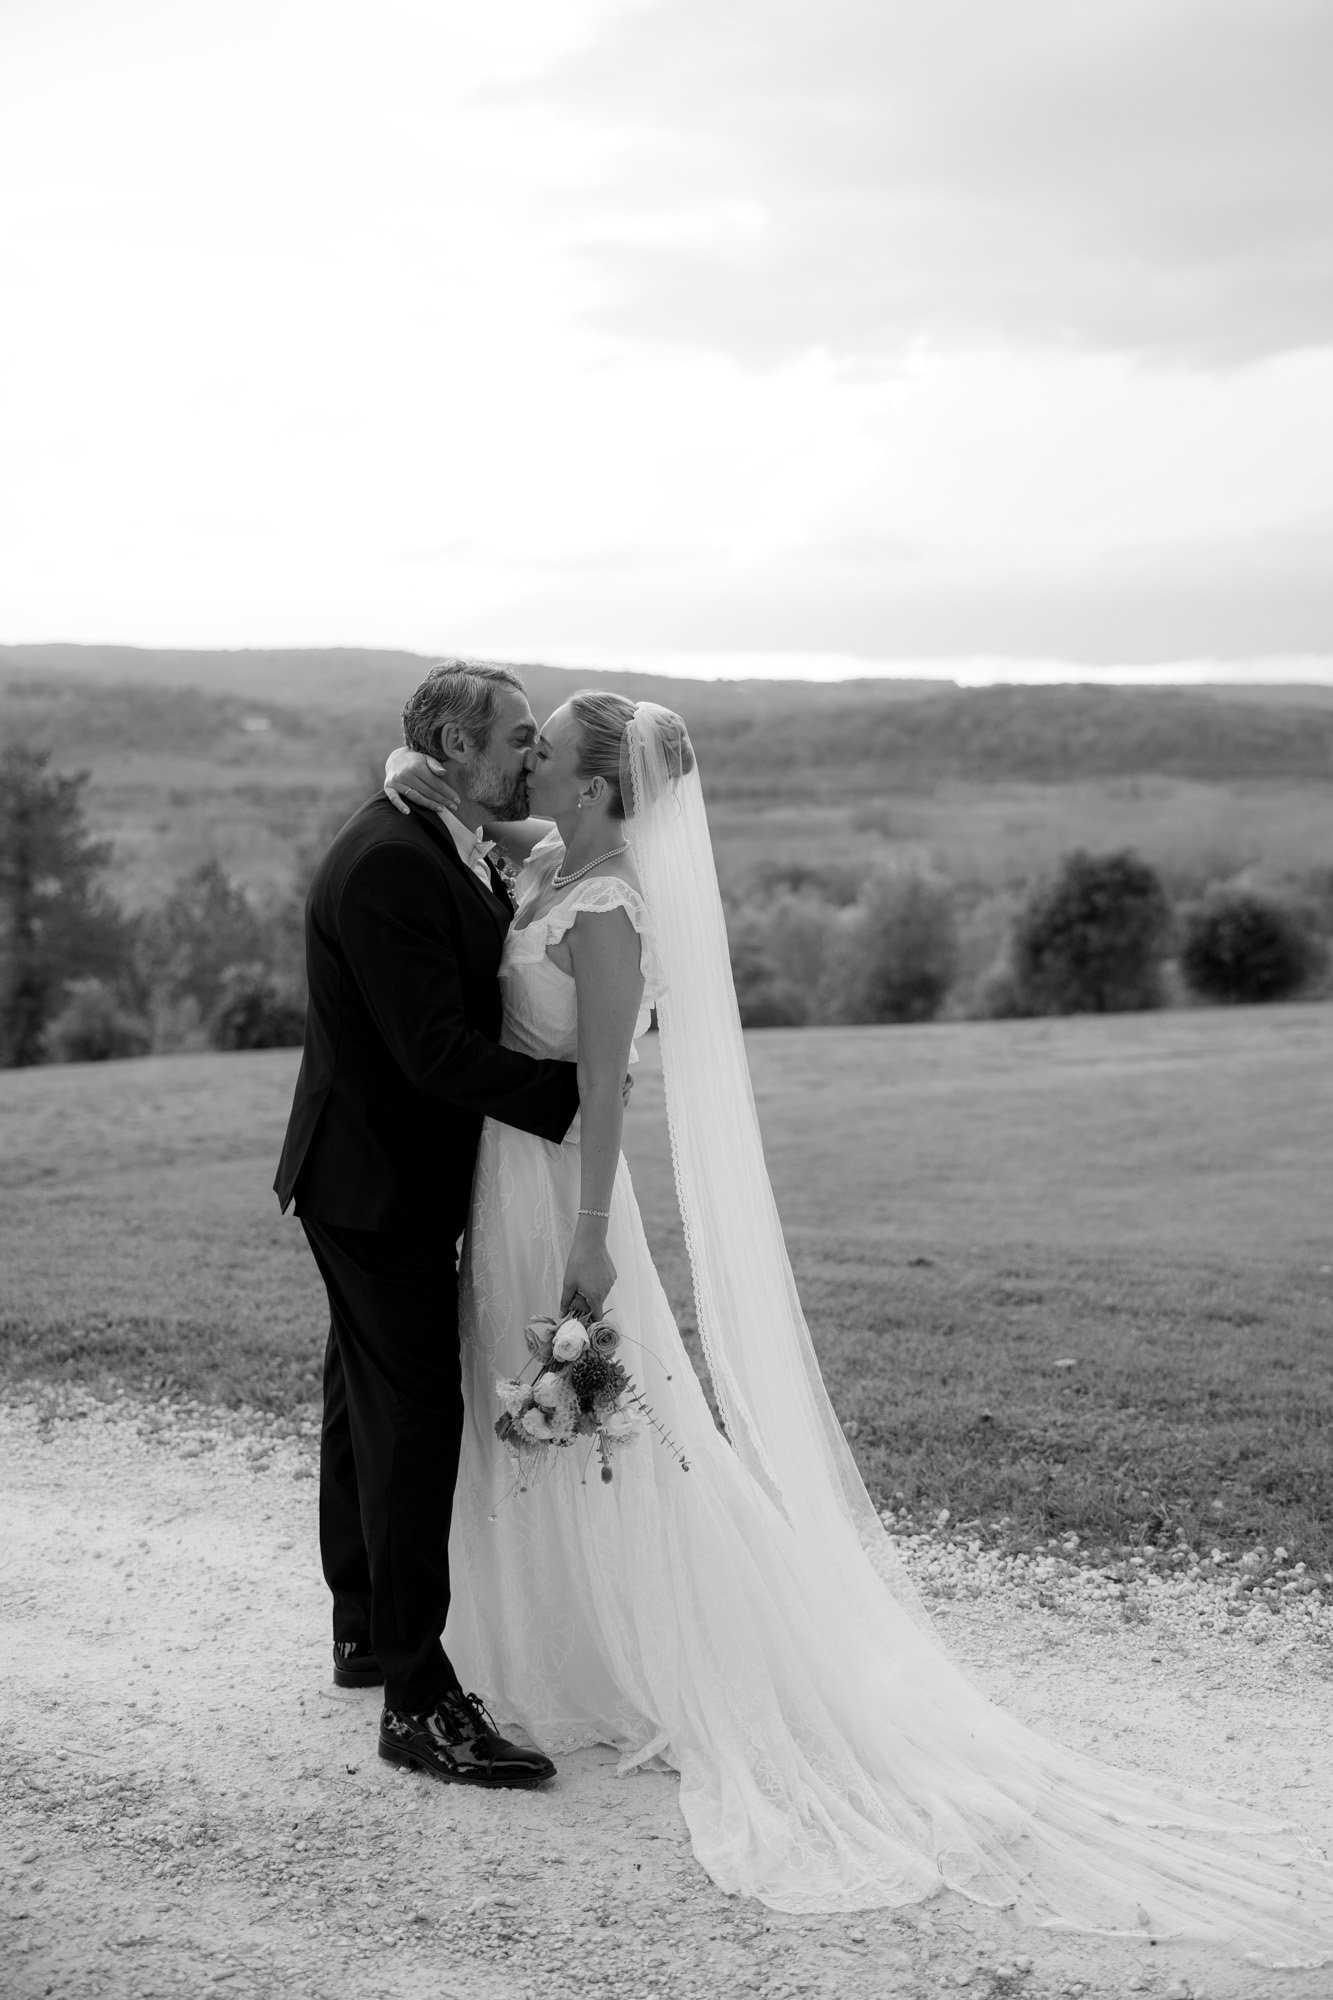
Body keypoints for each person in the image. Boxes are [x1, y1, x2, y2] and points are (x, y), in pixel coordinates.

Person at [381, 692, 1333, 1956]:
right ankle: (561, 1645)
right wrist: (424, 780)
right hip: (500, 1178)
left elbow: (604, 1085)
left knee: (626, 1430)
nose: (529, 763)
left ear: (602, 789)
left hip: (555, 1187)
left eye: (546, 752)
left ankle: (700, 1648)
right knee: (534, 1418)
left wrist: (591, 1234)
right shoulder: (558, 864)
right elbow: (472, 823)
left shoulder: (608, 909)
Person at [275, 659, 581, 1789]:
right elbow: (433, 1053)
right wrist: (576, 1097)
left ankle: (364, 1626)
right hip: (375, 1185)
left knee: (364, 1399)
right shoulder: (391, 861)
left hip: (367, 1173)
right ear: (455, 744)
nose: (529, 757)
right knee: (413, 1418)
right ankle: (418, 1699)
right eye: (514, 739)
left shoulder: (431, 831)